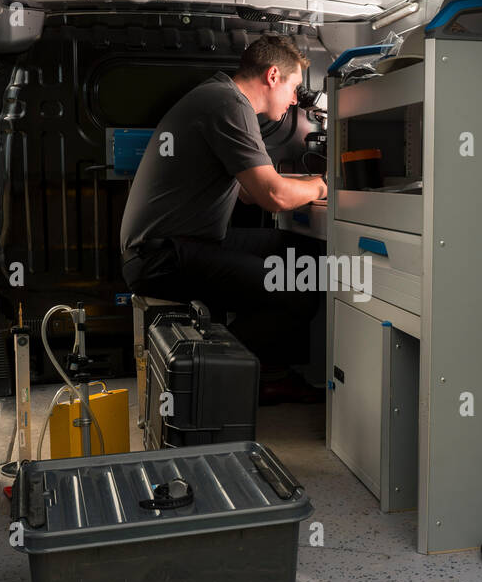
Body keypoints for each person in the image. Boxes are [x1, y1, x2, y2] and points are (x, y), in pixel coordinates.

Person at [119, 34, 328, 404]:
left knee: (304, 252)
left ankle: (261, 370)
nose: (296, 99)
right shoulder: (228, 104)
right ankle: (216, 375)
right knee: (299, 286)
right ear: (274, 76)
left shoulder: (223, 98)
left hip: (187, 245)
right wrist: (320, 187)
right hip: (163, 257)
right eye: (295, 87)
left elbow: (251, 190)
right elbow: (274, 196)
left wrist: (300, 185)